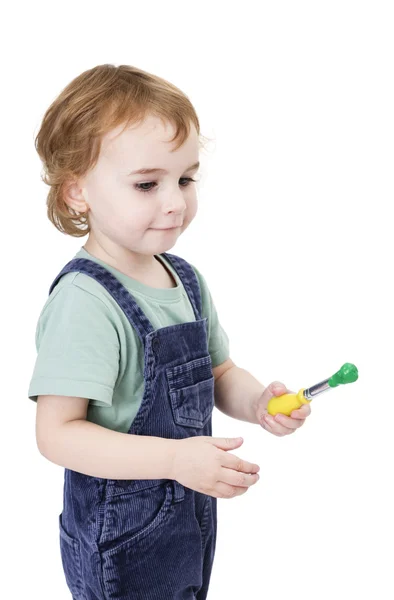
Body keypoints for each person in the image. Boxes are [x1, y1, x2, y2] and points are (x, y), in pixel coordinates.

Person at [28, 63, 311, 599]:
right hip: (121, 536)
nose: (176, 201)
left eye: (185, 178)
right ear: (76, 193)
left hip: (187, 519)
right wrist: (175, 460)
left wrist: (256, 402)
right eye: (146, 184)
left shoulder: (183, 277)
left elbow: (219, 369)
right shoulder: (85, 302)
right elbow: (56, 433)